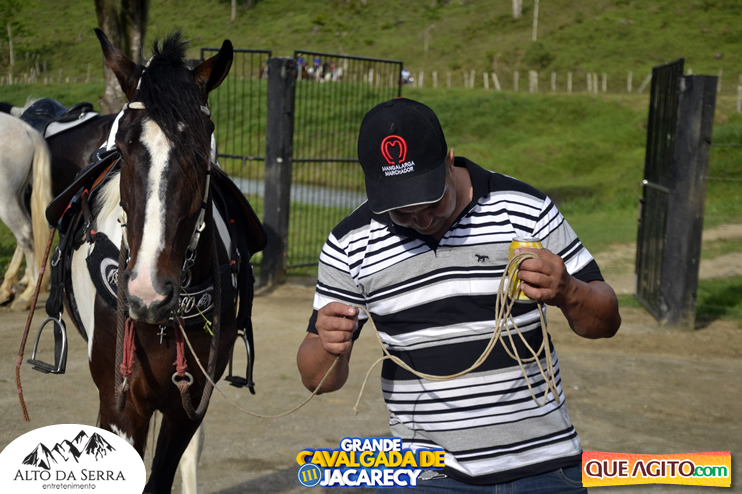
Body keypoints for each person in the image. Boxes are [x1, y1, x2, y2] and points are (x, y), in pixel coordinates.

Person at [296, 97, 621, 492]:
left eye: (431, 200)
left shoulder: (524, 208)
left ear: (449, 161)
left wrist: (568, 290)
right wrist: (328, 346)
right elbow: (317, 380)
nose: (422, 220)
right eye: (402, 211)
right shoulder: (349, 243)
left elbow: (605, 322)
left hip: (544, 466)